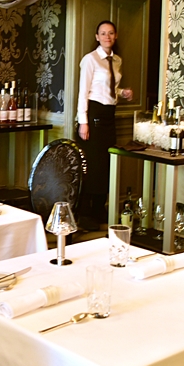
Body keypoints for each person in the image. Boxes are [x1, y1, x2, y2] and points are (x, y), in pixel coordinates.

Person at [76, 20, 132, 230]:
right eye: (103, 33)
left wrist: (122, 92)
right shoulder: (90, 60)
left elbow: (109, 89)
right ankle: (85, 213)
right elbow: (84, 92)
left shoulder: (117, 60)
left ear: (115, 36)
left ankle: (99, 210)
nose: (107, 36)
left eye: (110, 33)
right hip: (94, 115)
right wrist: (83, 122)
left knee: (107, 164)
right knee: (93, 166)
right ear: (97, 37)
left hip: (110, 116)